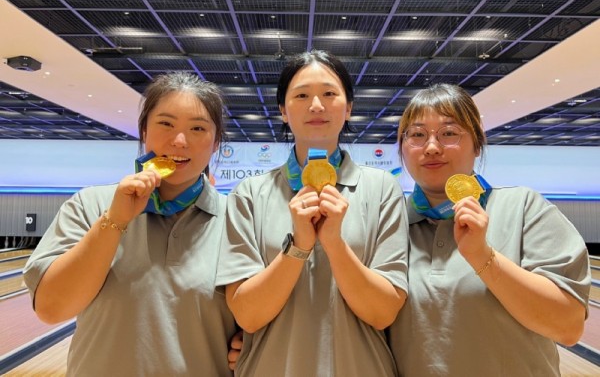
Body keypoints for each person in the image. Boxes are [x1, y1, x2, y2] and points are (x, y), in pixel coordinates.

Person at [23, 72, 237, 376]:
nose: (179, 141)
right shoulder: (90, 204)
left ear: (216, 143)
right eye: (165, 123)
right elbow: (52, 308)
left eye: (198, 128)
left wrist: (249, 341)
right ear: (144, 131)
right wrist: (114, 221)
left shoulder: (236, 219)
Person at [216, 50, 409, 376]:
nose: (316, 105)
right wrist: (298, 246)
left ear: (348, 108)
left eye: (330, 94)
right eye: (302, 95)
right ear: (282, 110)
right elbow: (247, 316)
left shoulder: (382, 189)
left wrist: (333, 242)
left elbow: (382, 313)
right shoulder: (249, 194)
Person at [388, 83, 591, 376]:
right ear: (403, 148)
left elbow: (568, 326)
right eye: (417, 135)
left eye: (449, 133)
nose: (431, 147)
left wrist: (483, 257)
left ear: (477, 143)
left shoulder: (523, 207)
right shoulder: (390, 223)